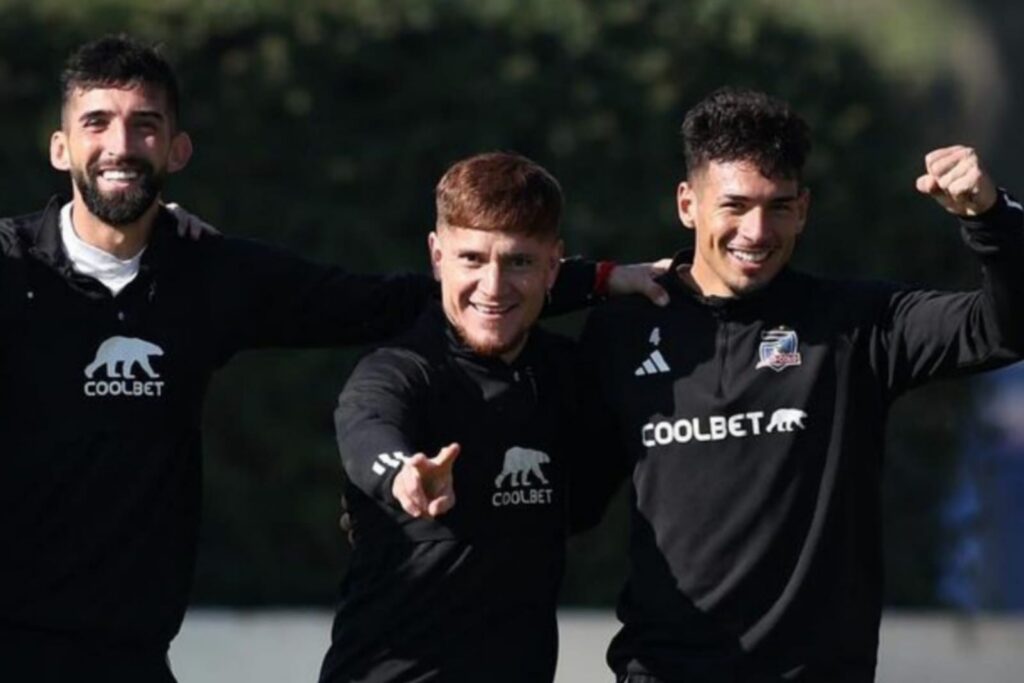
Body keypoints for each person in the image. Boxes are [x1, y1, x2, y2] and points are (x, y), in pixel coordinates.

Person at [0, 36, 661, 683]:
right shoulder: (12, 265)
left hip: (132, 648)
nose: (120, 146)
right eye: (97, 123)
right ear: (61, 147)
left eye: (144, 125)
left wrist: (591, 280)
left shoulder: (208, 273)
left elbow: (391, 303)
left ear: (177, 147)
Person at [579, 88, 1024, 682]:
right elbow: (572, 498)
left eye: (779, 206)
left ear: (805, 209)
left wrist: (989, 218)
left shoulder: (857, 325)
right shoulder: (623, 331)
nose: (757, 231)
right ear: (688, 203)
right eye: (734, 205)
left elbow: (1005, 330)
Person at [320, 152, 601, 683]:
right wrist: (401, 474)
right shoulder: (399, 371)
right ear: (436, 256)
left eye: (518, 261)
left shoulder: (572, 377)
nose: (493, 288)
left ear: (553, 264)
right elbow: (367, 431)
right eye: (472, 259)